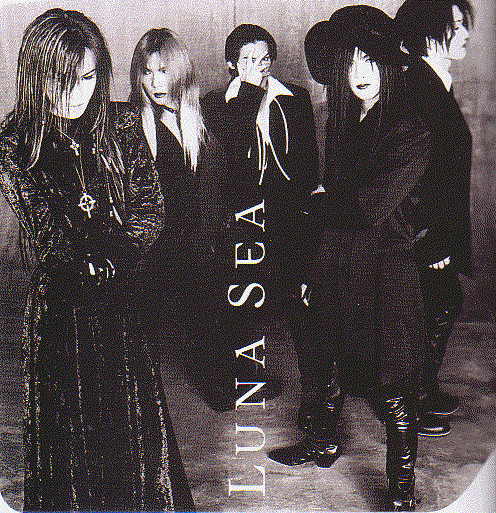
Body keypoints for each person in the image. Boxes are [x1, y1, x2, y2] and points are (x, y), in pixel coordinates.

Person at [0, 10, 194, 511]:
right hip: (61, 312)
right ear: (37, 76)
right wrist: (90, 262)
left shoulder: (121, 123)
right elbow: (46, 229)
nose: (76, 94)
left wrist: (118, 258)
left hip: (122, 299)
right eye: (63, 81)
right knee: (69, 443)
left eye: (87, 78)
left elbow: (150, 207)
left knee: (135, 433)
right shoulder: (15, 143)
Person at [268, 6, 431, 511]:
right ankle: (322, 442)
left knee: (392, 384)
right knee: (324, 358)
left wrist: (319, 201)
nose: (360, 73)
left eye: (369, 61)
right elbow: (340, 200)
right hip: (338, 258)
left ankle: (401, 491)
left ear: (387, 65)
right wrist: (316, 245)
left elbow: (367, 206)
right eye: (350, 62)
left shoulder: (410, 126)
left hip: (386, 268)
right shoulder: (342, 118)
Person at [201, 24, 319, 407]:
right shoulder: (214, 104)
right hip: (238, 220)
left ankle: (316, 390)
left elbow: (307, 167)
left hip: (284, 217)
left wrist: (306, 216)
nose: (259, 67)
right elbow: (234, 158)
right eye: (248, 60)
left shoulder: (295, 99)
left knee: (297, 300)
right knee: (237, 299)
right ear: (231, 65)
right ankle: (232, 382)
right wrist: (250, 92)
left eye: (265, 59)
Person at [128, 28, 230, 411]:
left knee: (209, 312)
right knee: (145, 332)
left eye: (164, 71)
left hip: (195, 241)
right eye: (147, 72)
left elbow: (211, 183)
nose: (156, 83)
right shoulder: (135, 124)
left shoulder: (196, 116)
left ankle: (221, 384)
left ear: (180, 72)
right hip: (154, 247)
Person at [394, 0, 474, 438]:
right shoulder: (418, 87)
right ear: (428, 33)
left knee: (439, 303)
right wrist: (432, 238)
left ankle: (422, 390)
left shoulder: (433, 81)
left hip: (433, 227)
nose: (465, 34)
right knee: (432, 306)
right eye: (456, 26)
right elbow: (417, 173)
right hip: (422, 229)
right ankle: (412, 400)